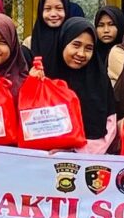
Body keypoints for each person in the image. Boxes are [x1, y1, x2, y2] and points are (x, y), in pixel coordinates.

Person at [45, 15, 118, 151]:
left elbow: (110, 125)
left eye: (88, 48)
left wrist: (76, 151)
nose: (81, 53)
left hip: (88, 160)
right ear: (63, 42)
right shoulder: (46, 77)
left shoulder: (99, 81)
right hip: (46, 160)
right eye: (76, 45)